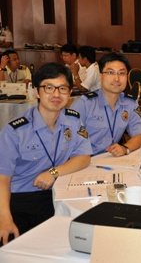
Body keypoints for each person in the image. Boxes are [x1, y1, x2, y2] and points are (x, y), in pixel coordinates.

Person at [0, 63, 92, 246]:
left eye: (62, 88)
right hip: (21, 199)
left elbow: (84, 157)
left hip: (58, 193)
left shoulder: (73, 120)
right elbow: (3, 179)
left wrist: (54, 173)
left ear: (70, 92)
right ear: (36, 91)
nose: (56, 94)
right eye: (48, 88)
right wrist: (4, 217)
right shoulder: (15, 131)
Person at [71, 53, 141, 156]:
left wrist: (125, 148)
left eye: (121, 73)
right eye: (110, 72)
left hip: (110, 159)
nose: (116, 79)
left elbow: (139, 136)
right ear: (101, 76)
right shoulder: (84, 104)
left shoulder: (130, 103)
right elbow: (68, 142)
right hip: (84, 161)